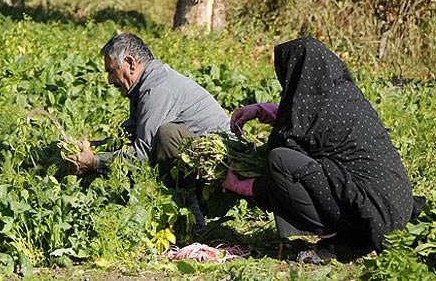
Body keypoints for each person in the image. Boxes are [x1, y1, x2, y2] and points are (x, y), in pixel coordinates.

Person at [222, 37, 416, 263]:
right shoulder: (344, 96)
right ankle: (353, 235)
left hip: (371, 212)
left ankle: (341, 241)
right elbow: (309, 121)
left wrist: (244, 187)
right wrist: (261, 110)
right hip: (396, 204)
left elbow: (281, 166)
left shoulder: (317, 111)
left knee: (280, 159)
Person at [69, 32, 230, 228]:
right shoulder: (144, 84)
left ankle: (194, 221)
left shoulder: (156, 89)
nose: (110, 80)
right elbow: (128, 136)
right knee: (161, 137)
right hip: (197, 159)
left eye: (111, 71)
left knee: (166, 136)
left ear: (130, 63)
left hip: (219, 168)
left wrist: (95, 162)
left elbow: (142, 153)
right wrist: (91, 146)